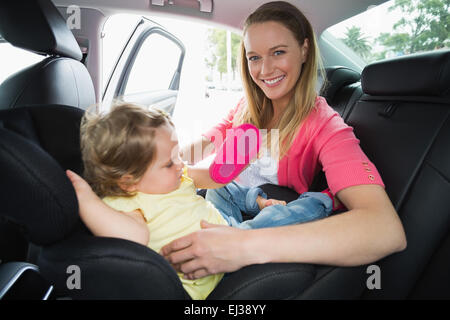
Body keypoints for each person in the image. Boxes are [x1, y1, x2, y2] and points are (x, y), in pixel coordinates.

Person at [160, 1, 407, 281]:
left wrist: (240, 245)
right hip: (232, 199)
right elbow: (207, 142)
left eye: (278, 52)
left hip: (274, 211)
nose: (265, 70)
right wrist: (165, 162)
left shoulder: (323, 123)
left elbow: (384, 229)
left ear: (303, 50)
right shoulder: (245, 107)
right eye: (254, 57)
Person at [67, 103, 340, 299]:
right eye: (168, 162)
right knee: (272, 221)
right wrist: (87, 201)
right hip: (216, 261)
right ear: (128, 180)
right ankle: (321, 202)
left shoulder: (173, 176)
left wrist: (228, 167)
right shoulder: (126, 204)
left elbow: (212, 178)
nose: (180, 163)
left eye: (178, 154)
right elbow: (135, 237)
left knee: (221, 189)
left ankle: (255, 200)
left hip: (219, 227)